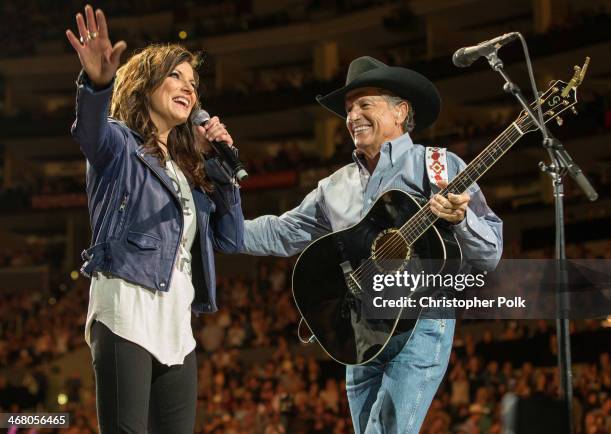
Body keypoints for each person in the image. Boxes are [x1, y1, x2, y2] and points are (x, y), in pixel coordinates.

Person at [241, 56, 502, 433]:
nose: (352, 116)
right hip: (359, 330)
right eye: (348, 109)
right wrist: (216, 228)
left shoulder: (439, 167)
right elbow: (281, 232)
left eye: (365, 104)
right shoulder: (334, 186)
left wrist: (462, 220)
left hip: (420, 324)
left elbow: (491, 252)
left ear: (401, 112)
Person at [66, 5, 244, 433]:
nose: (189, 88)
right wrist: (96, 84)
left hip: (176, 322)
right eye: (176, 76)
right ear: (146, 85)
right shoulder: (120, 147)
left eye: (193, 83)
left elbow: (232, 240)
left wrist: (222, 170)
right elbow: (90, 133)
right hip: (126, 306)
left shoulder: (188, 170)